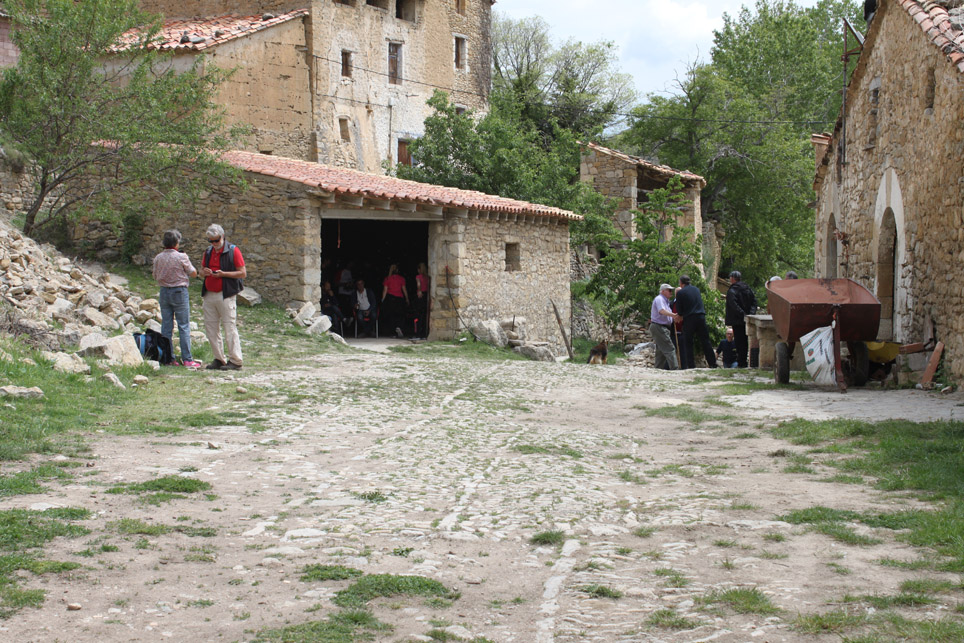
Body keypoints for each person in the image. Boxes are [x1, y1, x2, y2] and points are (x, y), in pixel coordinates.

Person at [152, 230, 201, 368]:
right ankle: (187, 359)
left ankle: (168, 358)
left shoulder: (158, 258)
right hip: (179, 291)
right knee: (183, 325)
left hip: (164, 291)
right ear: (176, 243)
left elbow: (155, 275)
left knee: (166, 326)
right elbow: (193, 273)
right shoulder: (181, 257)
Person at [200, 224, 246, 370]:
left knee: (229, 328)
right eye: (211, 241)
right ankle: (219, 358)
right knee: (211, 328)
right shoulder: (208, 252)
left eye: (216, 240)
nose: (214, 243)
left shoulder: (233, 250)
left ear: (223, 236)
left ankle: (236, 360)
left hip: (226, 294)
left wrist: (223, 274)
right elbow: (200, 271)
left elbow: (242, 273)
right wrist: (205, 272)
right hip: (209, 294)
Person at [675, 275, 718, 369]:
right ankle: (712, 363)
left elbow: (679, 310)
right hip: (701, 316)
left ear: (681, 283)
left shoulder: (680, 293)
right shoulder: (696, 289)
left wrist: (680, 315)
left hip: (689, 318)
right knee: (705, 341)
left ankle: (691, 365)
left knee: (688, 342)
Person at [725, 270, 756, 368]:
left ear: (732, 278)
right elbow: (754, 302)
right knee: (745, 341)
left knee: (739, 341)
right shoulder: (747, 288)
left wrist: (742, 314)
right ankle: (743, 361)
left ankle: (741, 363)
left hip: (737, 320)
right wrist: (750, 314)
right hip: (746, 319)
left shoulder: (732, 290)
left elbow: (733, 305)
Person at [649, 283, 680, 370]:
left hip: (662, 327)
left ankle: (658, 369)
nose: (671, 292)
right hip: (659, 326)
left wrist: (673, 318)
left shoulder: (666, 301)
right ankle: (675, 368)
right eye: (669, 290)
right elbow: (662, 311)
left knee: (661, 350)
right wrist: (674, 315)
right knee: (670, 348)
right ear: (663, 291)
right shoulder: (659, 299)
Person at [381, 264, 409, 339]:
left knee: (391, 316)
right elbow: (404, 289)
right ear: (397, 270)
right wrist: (407, 298)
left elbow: (385, 290)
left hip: (390, 298)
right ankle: (399, 327)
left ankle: (393, 332)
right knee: (400, 315)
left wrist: (382, 300)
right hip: (399, 298)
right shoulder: (401, 279)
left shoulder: (387, 279)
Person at [414, 262, 430, 339]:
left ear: (419, 269)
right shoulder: (428, 277)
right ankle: (424, 334)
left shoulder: (418, 276)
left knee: (419, 315)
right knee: (425, 315)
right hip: (426, 295)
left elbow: (418, 284)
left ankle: (418, 334)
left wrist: (419, 291)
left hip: (421, 295)